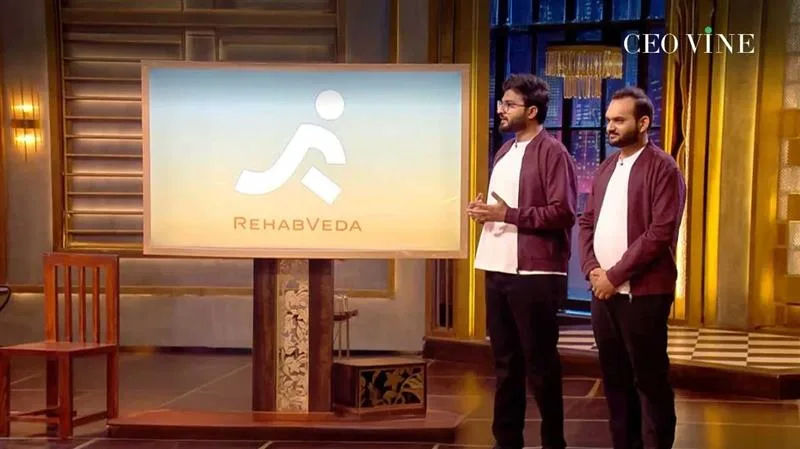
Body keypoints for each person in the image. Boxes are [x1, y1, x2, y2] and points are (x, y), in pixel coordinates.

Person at [467, 73, 577, 449]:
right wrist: (484, 212)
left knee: (540, 364)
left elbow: (563, 212)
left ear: (531, 111)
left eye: (509, 104)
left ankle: (553, 442)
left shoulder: (553, 153)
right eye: (502, 102)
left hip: (535, 272)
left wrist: (506, 214)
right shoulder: (504, 152)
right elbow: (503, 209)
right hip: (496, 266)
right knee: (505, 363)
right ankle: (506, 441)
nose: (501, 109)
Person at [578, 86, 686, 449]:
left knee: (649, 381)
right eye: (608, 120)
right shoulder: (607, 167)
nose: (610, 126)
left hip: (643, 295)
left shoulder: (663, 167)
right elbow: (586, 221)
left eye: (619, 120)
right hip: (603, 293)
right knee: (615, 382)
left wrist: (614, 276)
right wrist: (592, 270)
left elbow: (660, 233)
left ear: (643, 123)